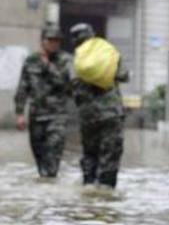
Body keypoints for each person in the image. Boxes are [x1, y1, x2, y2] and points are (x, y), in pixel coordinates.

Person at [69, 22, 129, 189]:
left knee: (89, 155)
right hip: (110, 114)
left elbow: (69, 89)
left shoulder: (73, 62)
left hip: (88, 117)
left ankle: (88, 188)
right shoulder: (108, 54)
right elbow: (124, 75)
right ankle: (105, 197)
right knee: (110, 155)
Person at [13, 24, 72, 178]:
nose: (54, 43)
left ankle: (50, 196)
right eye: (50, 40)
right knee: (40, 162)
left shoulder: (65, 60)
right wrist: (19, 113)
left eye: (57, 40)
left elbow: (67, 85)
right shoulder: (31, 60)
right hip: (36, 117)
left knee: (52, 161)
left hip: (57, 117)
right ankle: (44, 194)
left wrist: (47, 66)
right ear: (42, 41)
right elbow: (22, 88)